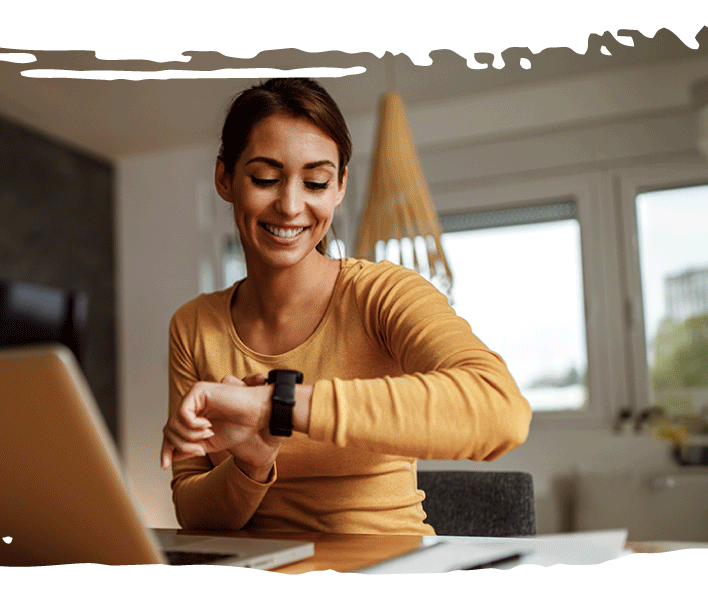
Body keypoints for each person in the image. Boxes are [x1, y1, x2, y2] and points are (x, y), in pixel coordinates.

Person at [158, 78, 531, 535]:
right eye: (265, 178)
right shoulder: (194, 325)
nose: (291, 206)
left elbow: (498, 409)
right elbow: (193, 515)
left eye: (315, 182)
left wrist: (277, 405)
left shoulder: (383, 294)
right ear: (225, 179)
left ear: (339, 187)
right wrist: (251, 463)